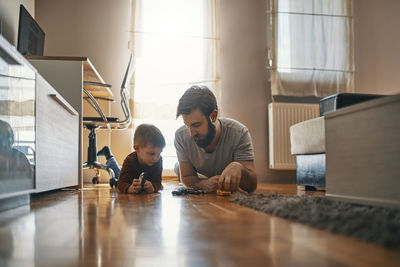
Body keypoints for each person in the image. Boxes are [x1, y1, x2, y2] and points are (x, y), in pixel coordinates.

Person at [174, 85, 257, 193]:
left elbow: (252, 186)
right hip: (198, 172)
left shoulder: (239, 133)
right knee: (178, 169)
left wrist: (240, 168)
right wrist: (203, 184)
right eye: (187, 125)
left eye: (197, 125)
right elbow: (187, 177)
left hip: (214, 173)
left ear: (213, 116)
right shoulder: (181, 136)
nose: (191, 133)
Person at [116, 124, 166, 194]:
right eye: (151, 154)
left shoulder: (158, 160)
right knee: (116, 176)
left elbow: (158, 182)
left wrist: (153, 187)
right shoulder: (130, 160)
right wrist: (129, 188)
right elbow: (121, 183)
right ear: (137, 148)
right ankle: (109, 157)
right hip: (126, 178)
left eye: (159, 153)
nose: (156, 158)